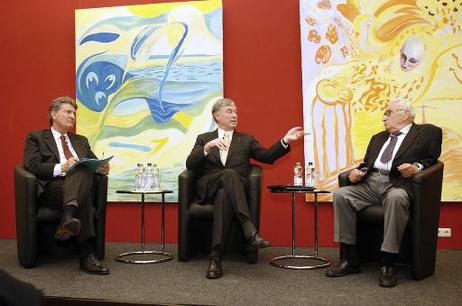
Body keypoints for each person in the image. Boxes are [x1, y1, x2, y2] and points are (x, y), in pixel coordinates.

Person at [325, 98, 442, 287]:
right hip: (371, 183)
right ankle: (350, 259)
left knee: (397, 198)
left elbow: (432, 159)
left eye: (389, 113)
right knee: (341, 194)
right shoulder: (378, 137)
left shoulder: (425, 133)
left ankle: (388, 263)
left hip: (398, 183)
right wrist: (357, 172)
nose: (384, 118)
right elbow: (367, 163)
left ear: (405, 114)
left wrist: (416, 167)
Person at [186, 98, 303, 279]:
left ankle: (215, 259)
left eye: (235, 112)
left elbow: (266, 156)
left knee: (225, 193)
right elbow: (190, 165)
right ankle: (249, 229)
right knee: (230, 174)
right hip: (208, 188)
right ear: (217, 116)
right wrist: (207, 148)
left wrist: (285, 140)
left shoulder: (246, 140)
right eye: (229, 112)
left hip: (232, 194)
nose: (234, 115)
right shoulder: (204, 139)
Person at [23, 96, 110, 275]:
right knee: (81, 179)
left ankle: (68, 218)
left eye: (74, 113)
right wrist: (61, 167)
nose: (72, 116)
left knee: (82, 169)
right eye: (68, 112)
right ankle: (87, 256)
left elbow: (93, 162)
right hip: (53, 187)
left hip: (77, 187)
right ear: (54, 114)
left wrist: (101, 167)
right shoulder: (36, 137)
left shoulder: (81, 140)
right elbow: (31, 165)